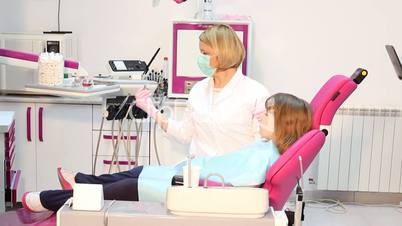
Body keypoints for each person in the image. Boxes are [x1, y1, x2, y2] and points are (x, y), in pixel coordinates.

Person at [22, 93, 312, 212]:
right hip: (182, 175)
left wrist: (193, 175)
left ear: (285, 123)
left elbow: (232, 183)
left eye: (269, 114)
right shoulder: (267, 148)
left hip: (184, 187)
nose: (261, 116)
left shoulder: (265, 158)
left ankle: (45, 199)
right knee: (130, 173)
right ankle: (81, 180)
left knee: (115, 189)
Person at [136, 24, 269, 157]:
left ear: (223, 53)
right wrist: (151, 109)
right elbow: (184, 134)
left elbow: (261, 147)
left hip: (236, 174)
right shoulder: (198, 90)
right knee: (123, 178)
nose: (201, 58)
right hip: (200, 172)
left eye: (205, 53)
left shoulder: (255, 93)